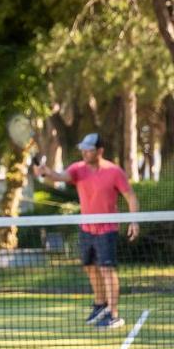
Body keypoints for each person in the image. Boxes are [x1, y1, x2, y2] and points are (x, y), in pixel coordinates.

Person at [36, 133, 139, 330]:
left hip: (108, 228)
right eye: (83, 149)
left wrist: (135, 221)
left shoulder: (114, 171)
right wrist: (46, 172)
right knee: (90, 267)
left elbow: (131, 196)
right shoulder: (78, 169)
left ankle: (114, 313)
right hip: (86, 228)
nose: (84, 152)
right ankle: (100, 305)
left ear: (100, 151)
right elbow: (60, 177)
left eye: (89, 149)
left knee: (107, 269)